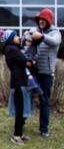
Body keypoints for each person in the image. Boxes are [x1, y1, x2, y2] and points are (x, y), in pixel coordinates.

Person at [30, 8, 61, 138]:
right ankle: (21, 124)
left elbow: (55, 42)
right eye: (39, 20)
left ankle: (44, 129)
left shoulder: (55, 33)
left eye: (43, 20)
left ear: (48, 21)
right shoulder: (36, 30)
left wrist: (42, 36)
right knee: (27, 97)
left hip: (46, 73)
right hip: (34, 71)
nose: (40, 22)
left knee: (44, 101)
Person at [0, 29, 32, 145]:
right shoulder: (12, 49)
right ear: (11, 39)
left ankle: (20, 133)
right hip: (18, 83)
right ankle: (16, 135)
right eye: (16, 36)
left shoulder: (11, 49)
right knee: (19, 110)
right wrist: (31, 61)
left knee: (21, 109)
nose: (18, 37)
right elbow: (26, 61)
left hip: (18, 81)